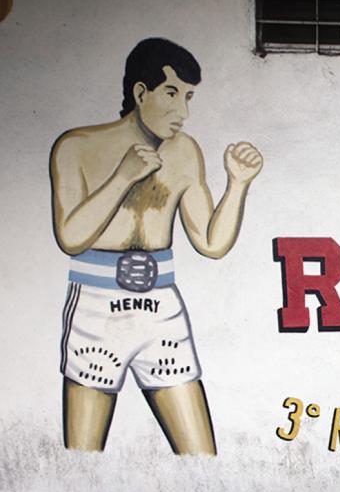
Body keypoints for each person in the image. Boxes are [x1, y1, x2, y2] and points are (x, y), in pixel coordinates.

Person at [50, 37, 263, 454]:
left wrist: (237, 185)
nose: (182, 111)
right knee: (81, 460)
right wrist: (122, 176)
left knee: (201, 457)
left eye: (188, 97)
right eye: (171, 94)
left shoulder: (185, 153)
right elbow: (70, 236)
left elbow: (211, 242)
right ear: (140, 93)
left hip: (161, 308)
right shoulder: (76, 146)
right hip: (96, 306)